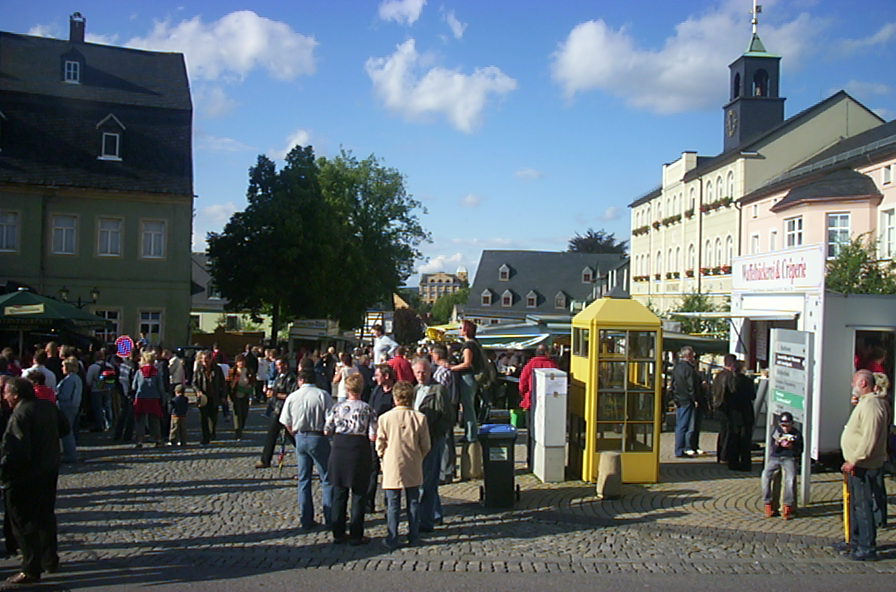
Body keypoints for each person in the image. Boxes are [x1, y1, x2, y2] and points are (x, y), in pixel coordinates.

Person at [1, 377, 69, 584]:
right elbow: (65, 428)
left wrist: (5, 473)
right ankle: (49, 559)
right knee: (45, 516)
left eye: (6, 393)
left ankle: (31, 568)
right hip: (48, 468)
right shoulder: (47, 406)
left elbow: (16, 451)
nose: (4, 397)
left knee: (24, 522)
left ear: (15, 395)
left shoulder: (20, 414)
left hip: (26, 475)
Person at [837, 369, 889, 561]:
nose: (852, 385)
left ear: (863, 384)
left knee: (863, 505)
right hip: (859, 463)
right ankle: (856, 540)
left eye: (854, 382)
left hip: (865, 464)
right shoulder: (865, 403)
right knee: (856, 505)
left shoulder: (872, 406)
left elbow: (869, 437)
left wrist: (855, 459)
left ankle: (867, 547)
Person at [376, 380, 430, 550]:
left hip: (392, 463)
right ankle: (414, 536)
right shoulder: (420, 418)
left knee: (393, 504)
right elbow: (426, 445)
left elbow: (380, 443)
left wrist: (382, 456)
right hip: (413, 461)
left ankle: (392, 537)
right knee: (413, 501)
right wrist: (419, 456)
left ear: (395, 398)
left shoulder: (385, 418)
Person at [324, 373, 377, 545]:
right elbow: (373, 435)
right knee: (359, 493)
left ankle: (338, 533)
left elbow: (327, 429)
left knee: (339, 492)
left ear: (347, 389)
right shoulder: (367, 409)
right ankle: (356, 534)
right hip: (358, 449)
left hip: (340, 448)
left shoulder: (337, 407)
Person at [280, 362, 333, 531]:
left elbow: (285, 420)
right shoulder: (322, 395)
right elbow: (331, 418)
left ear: (300, 380)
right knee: (326, 478)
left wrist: (294, 433)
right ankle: (330, 517)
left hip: (300, 436)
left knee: (304, 479)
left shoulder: (292, 397)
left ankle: (306, 518)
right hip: (318, 436)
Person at [412, 358, 454, 532]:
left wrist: (435, 434)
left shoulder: (439, 390)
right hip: (418, 440)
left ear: (430, 372)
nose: (421, 375)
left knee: (429, 480)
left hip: (433, 439)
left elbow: (447, 416)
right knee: (426, 478)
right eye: (418, 372)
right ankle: (434, 514)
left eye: (424, 372)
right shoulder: (415, 390)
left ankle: (427, 519)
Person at [518, 344, 560, 468]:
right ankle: (547, 462)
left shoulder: (529, 365)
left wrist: (526, 395)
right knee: (548, 433)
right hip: (550, 405)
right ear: (547, 353)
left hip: (531, 403)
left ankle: (531, 460)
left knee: (532, 432)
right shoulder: (553, 365)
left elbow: (522, 384)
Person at [712, 355, 755, 471]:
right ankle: (745, 463)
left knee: (732, 437)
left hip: (731, 412)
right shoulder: (746, 381)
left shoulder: (722, 377)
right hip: (745, 412)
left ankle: (732, 461)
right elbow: (752, 396)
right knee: (744, 439)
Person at [760, 411, 803, 519]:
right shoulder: (776, 432)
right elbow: (772, 448)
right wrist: (777, 443)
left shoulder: (796, 434)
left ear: (792, 424)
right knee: (766, 475)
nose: (785, 428)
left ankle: (787, 506)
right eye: (783, 425)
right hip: (776, 457)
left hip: (789, 458)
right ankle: (768, 503)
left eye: (787, 425)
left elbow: (800, 450)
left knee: (790, 479)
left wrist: (791, 447)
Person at [365, 364, 396, 512]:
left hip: (390, 436)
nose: (375, 378)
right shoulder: (377, 390)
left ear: (386, 376)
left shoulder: (395, 392)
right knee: (372, 469)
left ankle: (389, 504)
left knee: (389, 471)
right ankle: (368, 503)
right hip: (376, 435)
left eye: (378, 375)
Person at [256, 358, 296, 469]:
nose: (278, 367)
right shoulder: (279, 376)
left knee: (290, 435)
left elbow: (291, 396)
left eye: (280, 365)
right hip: (277, 409)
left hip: (285, 410)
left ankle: (306, 454)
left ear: (286, 365)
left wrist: (275, 394)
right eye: (277, 365)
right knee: (272, 435)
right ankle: (265, 460)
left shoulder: (291, 378)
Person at [450, 320, 484, 442]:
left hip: (467, 377)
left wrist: (452, 368)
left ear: (465, 330)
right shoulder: (475, 343)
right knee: (469, 406)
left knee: (468, 406)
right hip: (472, 377)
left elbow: (467, 363)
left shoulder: (468, 345)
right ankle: (469, 433)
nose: (459, 330)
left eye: (461, 328)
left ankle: (471, 435)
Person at [671, 346, 701, 458]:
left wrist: (675, 397)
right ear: (689, 356)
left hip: (679, 399)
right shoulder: (689, 369)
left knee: (680, 425)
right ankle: (681, 450)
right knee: (685, 426)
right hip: (687, 400)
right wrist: (695, 399)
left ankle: (680, 449)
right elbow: (691, 386)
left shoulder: (677, 368)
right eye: (693, 355)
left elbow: (673, 384)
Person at [132, 351, 165, 449]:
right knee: (154, 420)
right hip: (154, 397)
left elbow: (134, 386)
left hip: (141, 397)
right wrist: (163, 398)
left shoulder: (139, 372)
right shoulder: (157, 372)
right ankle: (158, 439)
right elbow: (160, 387)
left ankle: (139, 440)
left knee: (140, 420)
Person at [193, 351, 225, 445]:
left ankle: (212, 432)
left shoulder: (217, 369)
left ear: (211, 359)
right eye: (202, 360)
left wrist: (223, 396)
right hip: (203, 397)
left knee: (213, 416)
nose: (204, 362)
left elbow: (222, 383)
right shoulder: (199, 369)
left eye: (206, 360)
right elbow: (194, 383)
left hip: (214, 396)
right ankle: (205, 437)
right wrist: (198, 391)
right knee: (203, 417)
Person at [56, 357, 82, 463]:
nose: (62, 368)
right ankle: (71, 453)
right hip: (74, 406)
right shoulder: (77, 378)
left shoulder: (69, 380)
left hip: (66, 406)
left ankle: (70, 454)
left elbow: (65, 396)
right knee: (69, 430)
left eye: (63, 366)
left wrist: (56, 395)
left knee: (66, 431)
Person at [85, 349, 116, 432]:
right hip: (108, 388)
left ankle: (100, 425)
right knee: (107, 407)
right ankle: (109, 424)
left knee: (98, 408)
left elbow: (88, 381)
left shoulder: (92, 367)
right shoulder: (109, 366)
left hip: (96, 390)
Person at [227, 354, 255, 440]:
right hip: (236, 395)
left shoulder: (249, 371)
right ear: (236, 363)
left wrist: (250, 386)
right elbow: (229, 384)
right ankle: (238, 432)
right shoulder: (233, 371)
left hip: (245, 395)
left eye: (243, 361)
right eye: (239, 361)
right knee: (237, 414)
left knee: (244, 413)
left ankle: (241, 428)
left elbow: (253, 382)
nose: (241, 363)